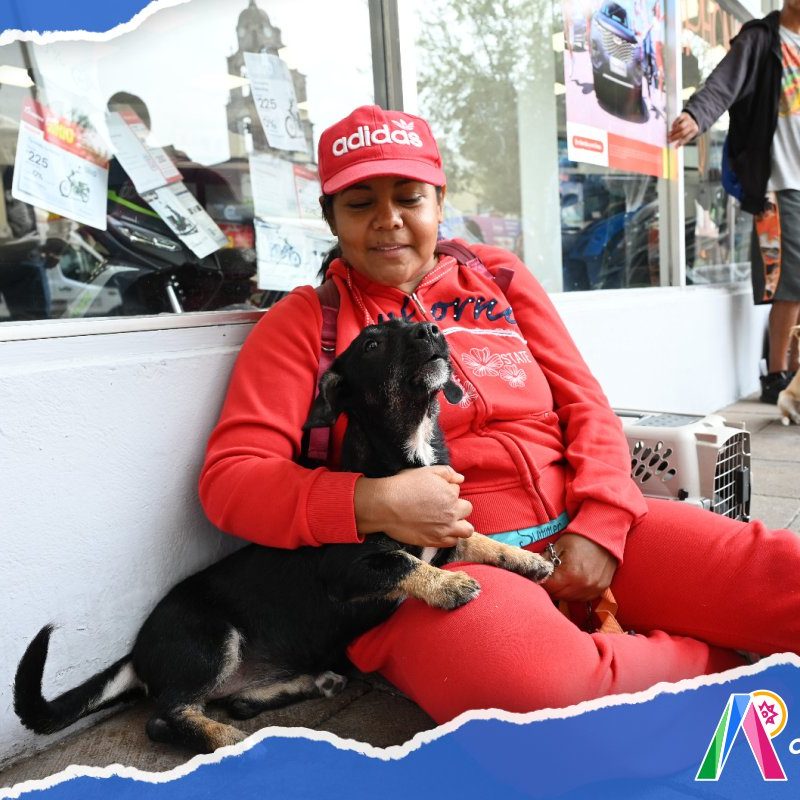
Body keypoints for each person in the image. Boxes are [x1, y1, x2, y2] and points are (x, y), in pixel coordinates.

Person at [200, 104, 800, 725]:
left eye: (409, 197)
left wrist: (601, 521)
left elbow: (585, 403)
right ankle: (730, 669)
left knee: (785, 577)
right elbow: (231, 480)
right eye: (359, 204)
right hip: (442, 572)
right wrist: (372, 502)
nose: (389, 220)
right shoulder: (305, 324)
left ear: (439, 202)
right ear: (330, 217)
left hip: (582, 526)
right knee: (543, 701)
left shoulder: (497, 276)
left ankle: (651, 665)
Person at [669, 0, 800, 404]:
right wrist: (697, 115)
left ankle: (792, 376)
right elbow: (724, 83)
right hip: (780, 183)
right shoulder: (762, 39)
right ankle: (777, 378)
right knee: (790, 284)